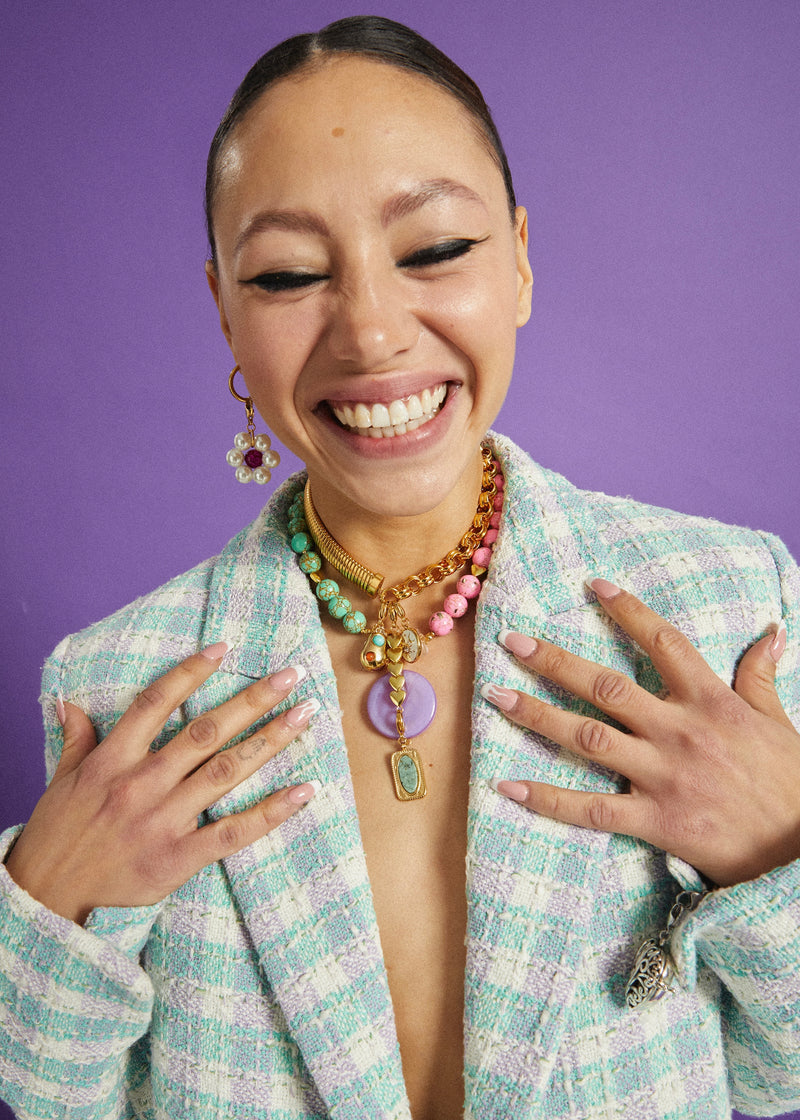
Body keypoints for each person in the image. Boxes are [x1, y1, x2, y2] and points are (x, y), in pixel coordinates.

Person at [1, 15, 799, 1120]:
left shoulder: (726, 609)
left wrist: (781, 852)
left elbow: (777, 1072)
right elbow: (60, 1100)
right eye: (288, 273)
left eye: (433, 250)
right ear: (224, 311)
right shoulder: (119, 686)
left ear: (519, 258)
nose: (371, 333)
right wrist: (37, 914)